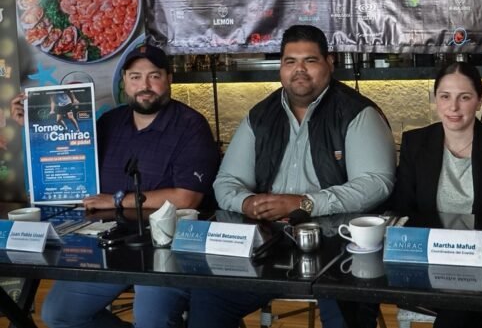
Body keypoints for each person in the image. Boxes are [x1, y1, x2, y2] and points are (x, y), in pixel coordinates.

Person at [184, 24, 396, 328]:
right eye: (290, 61)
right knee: (209, 299)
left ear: (329, 63)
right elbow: (226, 181)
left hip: (340, 247)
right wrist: (247, 203)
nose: (300, 70)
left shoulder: (357, 113)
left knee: (346, 316)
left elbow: (376, 183)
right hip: (269, 244)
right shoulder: (259, 116)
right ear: (281, 67)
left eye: (310, 60)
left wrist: (305, 203)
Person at [11, 44, 221, 328]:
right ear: (124, 81)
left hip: (166, 250)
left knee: (151, 320)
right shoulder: (110, 122)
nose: (144, 86)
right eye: (135, 77)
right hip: (109, 245)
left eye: (154, 76)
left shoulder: (191, 126)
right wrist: (34, 125)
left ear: (169, 78)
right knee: (59, 314)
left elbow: (186, 198)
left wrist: (116, 200)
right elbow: (71, 160)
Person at [390, 61, 482, 328]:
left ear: (479, 100)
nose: (453, 107)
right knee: (458, 305)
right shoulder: (415, 143)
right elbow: (404, 210)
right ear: (435, 99)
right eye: (445, 97)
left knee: (461, 301)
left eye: (464, 97)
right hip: (428, 261)